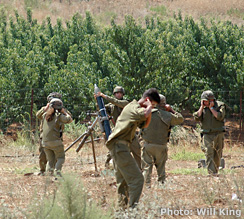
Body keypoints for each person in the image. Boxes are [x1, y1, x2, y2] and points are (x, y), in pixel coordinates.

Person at [106, 88, 160, 209]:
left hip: (119, 146)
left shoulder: (134, 108)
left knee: (123, 183)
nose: (152, 107)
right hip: (119, 146)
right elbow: (146, 114)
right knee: (138, 180)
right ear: (147, 100)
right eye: (153, 104)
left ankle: (121, 212)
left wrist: (149, 108)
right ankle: (132, 211)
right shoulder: (133, 107)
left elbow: (145, 124)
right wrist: (149, 107)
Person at [140, 94, 184, 187]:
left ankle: (146, 185)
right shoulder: (169, 116)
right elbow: (180, 119)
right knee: (161, 168)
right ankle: (161, 185)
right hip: (162, 146)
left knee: (147, 167)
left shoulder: (147, 113)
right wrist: (171, 110)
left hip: (148, 145)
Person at [97, 86, 141, 169]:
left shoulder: (127, 103)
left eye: (120, 93)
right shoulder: (111, 106)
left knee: (136, 149)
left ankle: (139, 169)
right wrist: (98, 100)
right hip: (118, 130)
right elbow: (101, 110)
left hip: (129, 130)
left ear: (123, 94)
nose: (118, 94)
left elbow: (118, 103)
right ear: (114, 94)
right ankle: (107, 166)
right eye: (117, 93)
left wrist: (105, 96)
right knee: (113, 148)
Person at [193, 90, 226, 175]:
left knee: (218, 154)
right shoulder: (203, 108)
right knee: (208, 152)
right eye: (204, 101)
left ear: (212, 100)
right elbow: (196, 117)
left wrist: (211, 108)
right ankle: (211, 173)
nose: (206, 103)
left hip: (218, 133)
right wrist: (201, 107)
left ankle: (215, 170)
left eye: (207, 101)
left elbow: (219, 116)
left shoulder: (220, 105)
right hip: (207, 134)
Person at [41, 98, 72, 177]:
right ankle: (58, 174)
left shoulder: (45, 115)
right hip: (55, 142)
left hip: (45, 142)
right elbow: (69, 119)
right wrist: (64, 112)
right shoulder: (59, 116)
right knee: (61, 158)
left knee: (51, 160)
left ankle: (49, 175)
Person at [36, 92, 62, 175]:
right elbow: (38, 115)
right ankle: (42, 170)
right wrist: (46, 108)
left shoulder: (60, 109)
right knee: (43, 155)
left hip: (56, 136)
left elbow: (68, 117)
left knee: (56, 156)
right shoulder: (45, 109)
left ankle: (54, 171)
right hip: (44, 136)